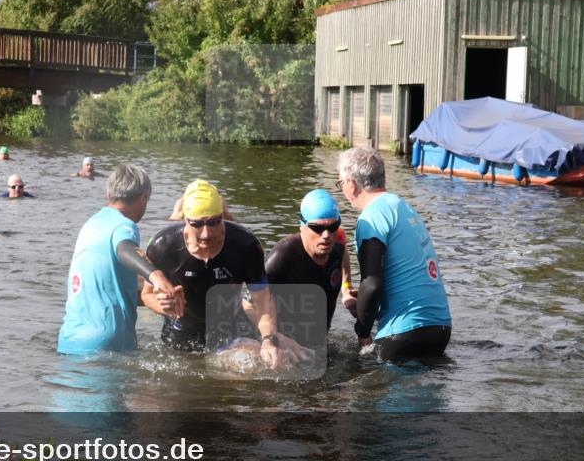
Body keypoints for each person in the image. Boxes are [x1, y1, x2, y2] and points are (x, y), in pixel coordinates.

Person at [142, 180, 305, 367]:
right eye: (197, 224)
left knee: (252, 366)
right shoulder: (164, 245)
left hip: (227, 330)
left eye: (214, 222)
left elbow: (263, 300)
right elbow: (146, 295)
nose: (206, 233)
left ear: (222, 216)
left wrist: (269, 339)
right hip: (180, 333)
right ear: (185, 219)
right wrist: (164, 306)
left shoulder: (245, 245)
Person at [336, 147, 452, 363]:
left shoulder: (371, 217)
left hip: (404, 333)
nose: (342, 189)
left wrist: (362, 331)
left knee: (370, 393)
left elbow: (371, 285)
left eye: (340, 183)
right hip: (440, 328)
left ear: (351, 184)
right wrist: (362, 300)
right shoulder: (403, 207)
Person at [58, 164, 181, 354]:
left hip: (69, 341)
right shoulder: (124, 226)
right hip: (108, 345)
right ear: (144, 198)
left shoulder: (91, 224)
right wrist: (157, 277)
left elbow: (112, 280)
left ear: (109, 195)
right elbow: (126, 249)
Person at [263, 189, 356, 349]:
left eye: (333, 226)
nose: (326, 235)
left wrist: (346, 289)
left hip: (319, 345)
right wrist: (272, 338)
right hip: (284, 348)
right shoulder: (282, 257)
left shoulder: (338, 243)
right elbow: (250, 304)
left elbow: (342, 252)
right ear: (302, 226)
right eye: (317, 228)